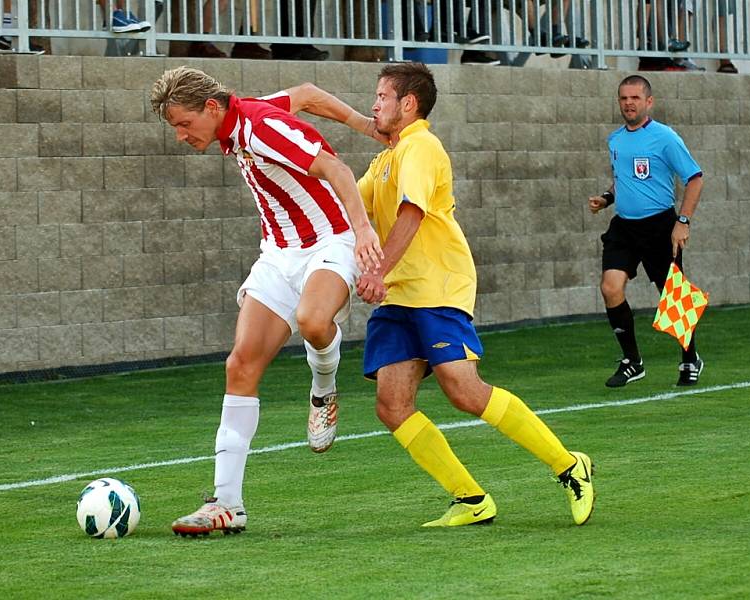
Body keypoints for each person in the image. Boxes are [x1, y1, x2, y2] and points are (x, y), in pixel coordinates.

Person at [286, 63, 595, 528]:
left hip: (435, 286)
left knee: (463, 389)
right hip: (396, 298)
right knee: (392, 406)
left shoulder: (421, 147)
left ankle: (570, 466)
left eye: (381, 97)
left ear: (407, 104)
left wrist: (377, 271)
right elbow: (345, 201)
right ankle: (471, 499)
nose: (374, 106)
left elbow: (412, 213)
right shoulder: (387, 157)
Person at [150, 66, 382, 536]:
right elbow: (307, 94)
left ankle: (323, 387)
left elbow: (335, 168)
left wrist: (362, 234)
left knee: (315, 322)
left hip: (330, 241)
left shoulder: (260, 130)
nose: (180, 136)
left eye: (184, 124)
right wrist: (366, 125)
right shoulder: (241, 115)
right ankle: (226, 504)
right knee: (240, 366)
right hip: (279, 255)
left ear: (210, 109)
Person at [588, 75, 704, 388]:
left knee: (673, 297)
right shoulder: (615, 140)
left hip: (660, 227)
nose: (629, 103)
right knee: (610, 287)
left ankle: (690, 358)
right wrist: (607, 198)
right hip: (624, 227)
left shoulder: (665, 137)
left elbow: (694, 178)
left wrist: (683, 222)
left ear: (648, 102)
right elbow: (624, 179)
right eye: (624, 98)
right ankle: (632, 361)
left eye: (635, 98)